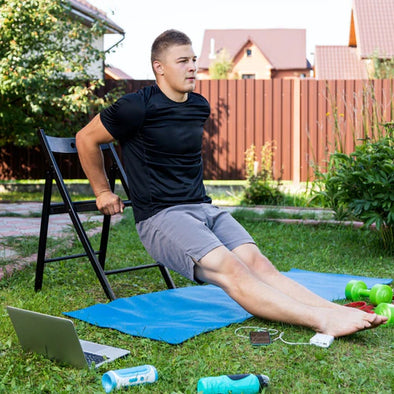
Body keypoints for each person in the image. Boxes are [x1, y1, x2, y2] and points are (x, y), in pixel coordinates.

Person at [76, 29, 387, 337]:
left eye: (194, 60)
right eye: (182, 61)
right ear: (159, 67)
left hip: (203, 208)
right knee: (233, 270)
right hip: (162, 217)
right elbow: (86, 138)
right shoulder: (136, 106)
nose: (192, 67)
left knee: (260, 264)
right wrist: (102, 191)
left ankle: (335, 311)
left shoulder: (198, 106)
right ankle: (321, 321)